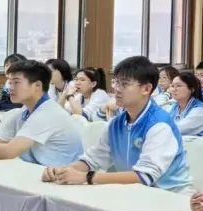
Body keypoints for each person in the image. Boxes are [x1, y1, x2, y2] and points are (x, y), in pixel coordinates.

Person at [42, 56, 191, 192]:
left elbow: (144, 177)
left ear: (146, 89)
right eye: (116, 82)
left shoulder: (159, 125)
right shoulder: (116, 123)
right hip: (135, 195)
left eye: (124, 84)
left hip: (170, 197)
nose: (117, 89)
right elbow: (92, 159)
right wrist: (62, 171)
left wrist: (86, 177)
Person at [0, 60, 83, 165]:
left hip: (64, 174)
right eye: (10, 82)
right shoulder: (22, 112)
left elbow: (8, 151)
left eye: (16, 82)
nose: (10, 87)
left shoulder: (48, 113)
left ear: (37, 86)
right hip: (39, 172)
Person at [168, 71, 203, 137]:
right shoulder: (174, 106)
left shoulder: (198, 110)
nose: (174, 89)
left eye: (178, 86)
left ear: (192, 89)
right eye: (172, 86)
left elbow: (177, 129)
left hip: (201, 143)